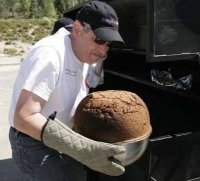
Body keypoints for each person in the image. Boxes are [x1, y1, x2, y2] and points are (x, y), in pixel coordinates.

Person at [8, 1, 125, 181]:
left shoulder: (84, 53)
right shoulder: (50, 54)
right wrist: (82, 148)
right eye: (99, 39)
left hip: (63, 137)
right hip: (33, 142)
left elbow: (90, 82)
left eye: (108, 43)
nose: (103, 50)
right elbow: (24, 117)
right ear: (77, 30)